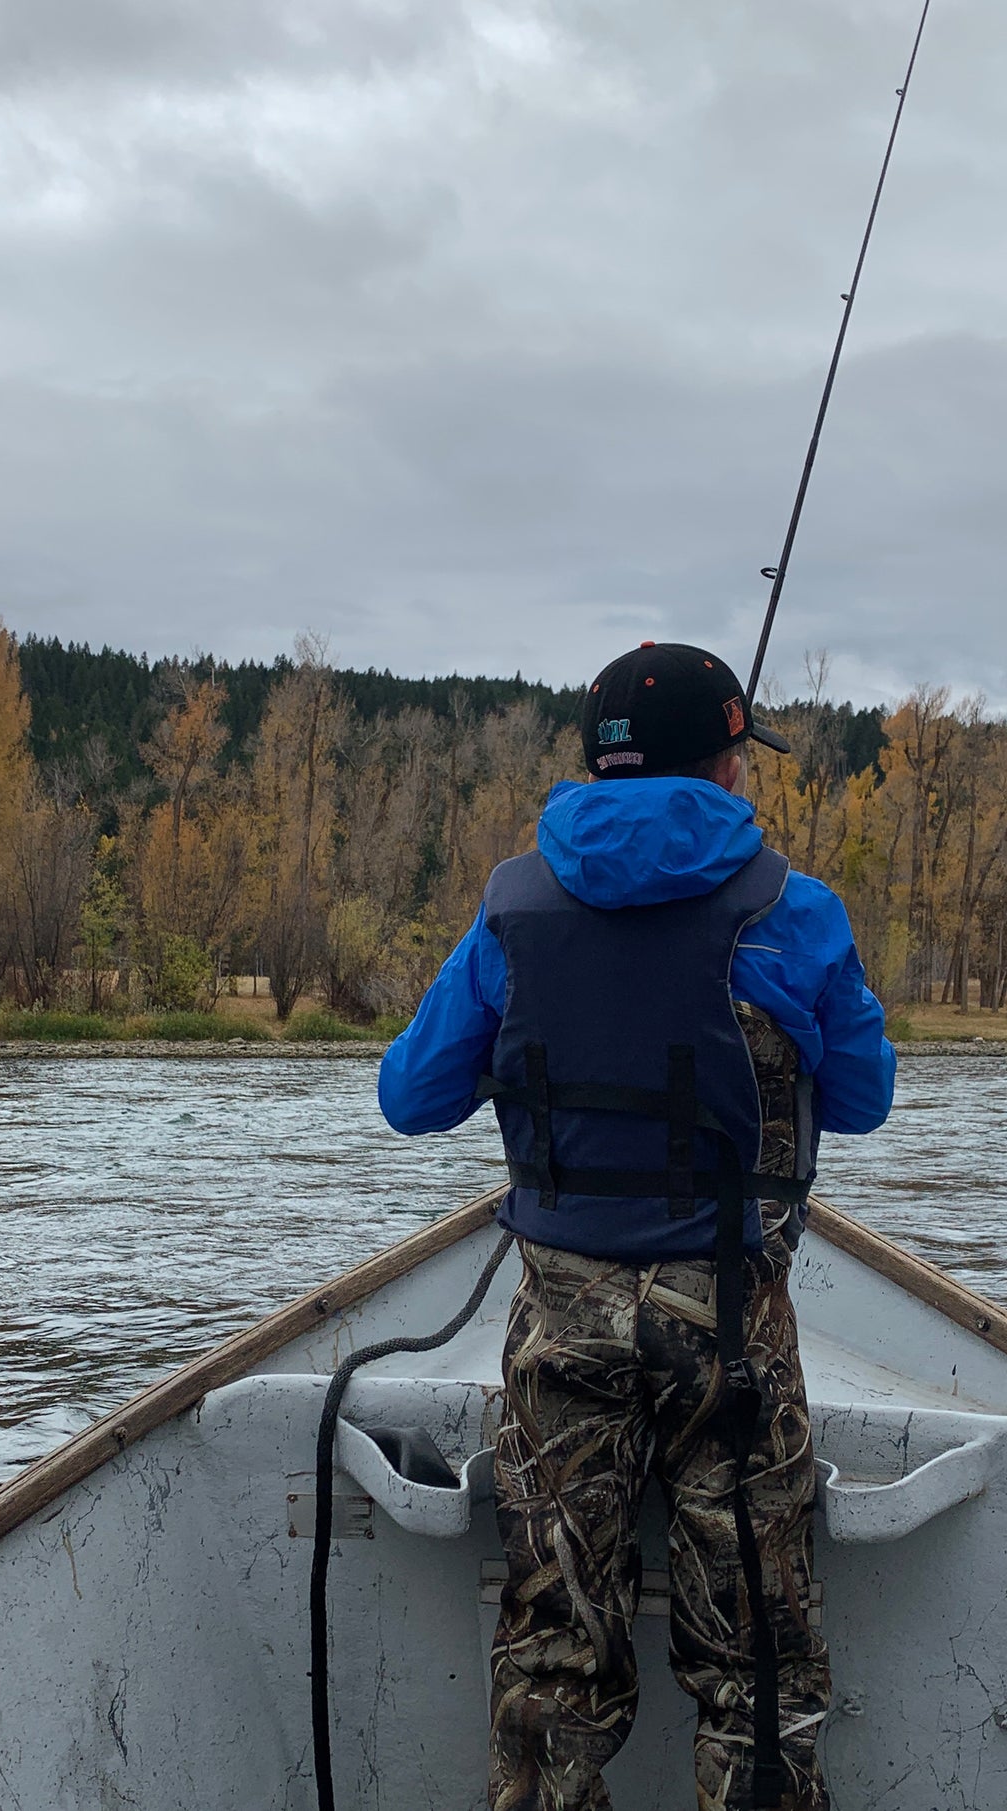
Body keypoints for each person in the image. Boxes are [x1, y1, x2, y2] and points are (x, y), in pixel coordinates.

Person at [379, 641, 896, 1811]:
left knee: (554, 1648)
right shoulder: (795, 911)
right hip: (729, 1327)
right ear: (723, 760)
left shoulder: (511, 907)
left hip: (560, 1322)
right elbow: (862, 1100)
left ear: (596, 766)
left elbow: (410, 1096)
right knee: (754, 1654)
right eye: (739, 755)